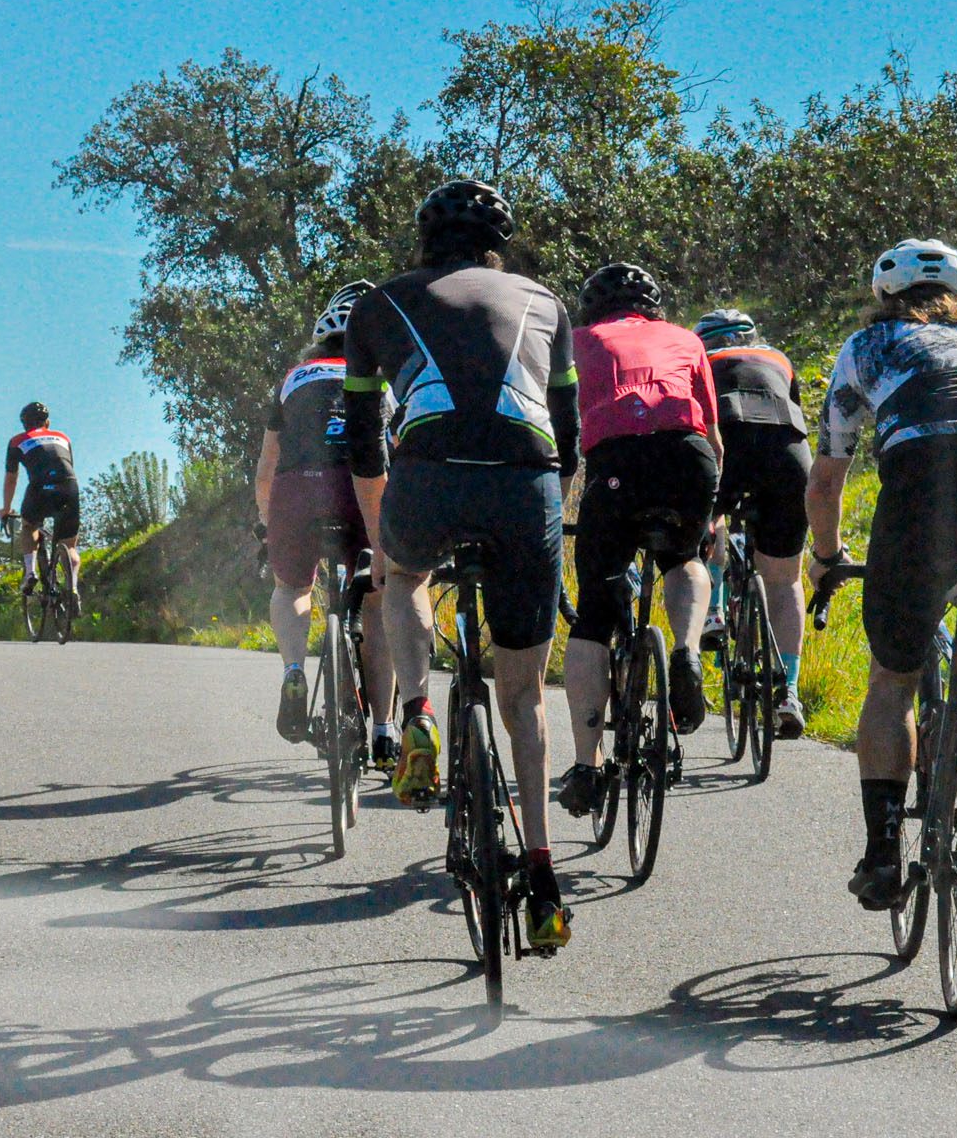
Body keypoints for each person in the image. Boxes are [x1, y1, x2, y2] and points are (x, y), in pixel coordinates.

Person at [343, 178, 577, 951]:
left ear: (423, 242)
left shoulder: (376, 304)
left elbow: (364, 436)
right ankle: (542, 878)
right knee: (524, 699)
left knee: (404, 579)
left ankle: (416, 713)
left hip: (430, 470)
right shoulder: (546, 301)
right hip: (527, 481)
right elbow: (569, 433)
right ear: (495, 245)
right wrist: (550, 513)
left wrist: (383, 539)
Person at [805, 239, 957, 911]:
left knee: (894, 678)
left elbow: (827, 479)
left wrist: (826, 559)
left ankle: (883, 851)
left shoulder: (868, 348)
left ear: (885, 295)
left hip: (920, 483)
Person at [557, 264, 723, 820]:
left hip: (617, 465)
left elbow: (555, 423)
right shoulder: (686, 338)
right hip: (688, 458)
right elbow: (714, 436)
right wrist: (709, 516)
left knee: (595, 617)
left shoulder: (577, 340)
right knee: (684, 557)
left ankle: (587, 764)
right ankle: (686, 650)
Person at [253, 281, 393, 755]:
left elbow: (266, 470)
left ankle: (294, 671)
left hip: (296, 490)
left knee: (291, 589)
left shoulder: (294, 378)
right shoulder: (383, 377)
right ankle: (383, 730)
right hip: (359, 489)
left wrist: (266, 524)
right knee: (378, 601)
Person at [693, 308, 812, 739]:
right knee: (783, 579)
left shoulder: (698, 358)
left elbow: (695, 424)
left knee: (710, 522)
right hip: (789, 453)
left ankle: (713, 610)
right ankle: (789, 691)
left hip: (728, 441)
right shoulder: (778, 358)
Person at [0, 402, 81, 610]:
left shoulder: (17, 441)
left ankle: (30, 572)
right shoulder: (63, 437)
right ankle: (72, 588)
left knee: (29, 526)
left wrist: (6, 509)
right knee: (69, 545)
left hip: (40, 489)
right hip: (68, 486)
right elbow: (67, 464)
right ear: (48, 422)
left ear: (24, 424)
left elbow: (11, 478)